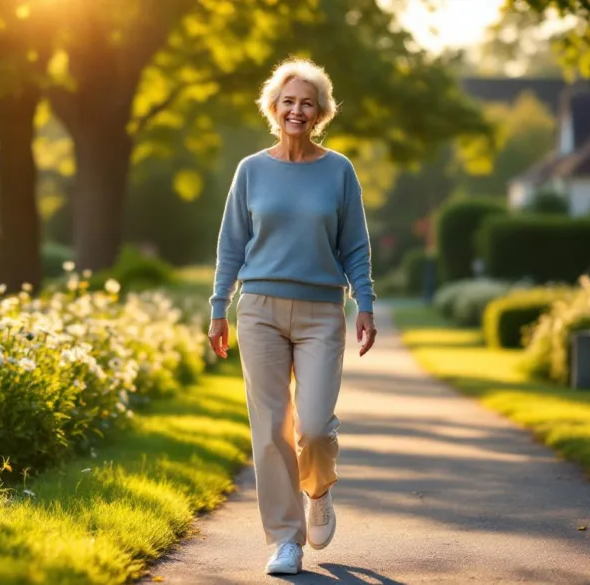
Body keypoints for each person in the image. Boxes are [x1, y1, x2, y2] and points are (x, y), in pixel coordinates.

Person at [207, 57, 377, 576]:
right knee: (270, 430)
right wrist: (219, 308)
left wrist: (365, 302)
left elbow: (355, 246)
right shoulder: (251, 170)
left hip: (322, 310)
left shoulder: (339, 170)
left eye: (307, 102)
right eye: (288, 101)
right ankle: (285, 540)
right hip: (258, 310)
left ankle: (319, 491)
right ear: (274, 108)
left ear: (321, 112)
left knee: (317, 427)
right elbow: (231, 246)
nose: (296, 110)